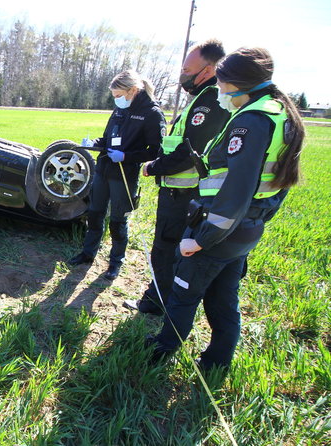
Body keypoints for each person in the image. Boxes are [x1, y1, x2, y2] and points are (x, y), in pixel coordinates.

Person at [147, 47, 305, 371]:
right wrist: (255, 221)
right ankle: (217, 362)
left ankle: (162, 350)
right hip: (246, 229)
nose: (218, 92)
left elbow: (237, 190)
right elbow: (275, 183)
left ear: (236, 84)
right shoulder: (277, 113)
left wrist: (201, 239)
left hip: (222, 229)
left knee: (184, 290)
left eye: (221, 85)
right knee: (222, 299)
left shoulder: (252, 121)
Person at [124, 39, 231, 315]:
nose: (182, 75)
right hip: (180, 193)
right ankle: (163, 298)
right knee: (169, 248)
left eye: (186, 69)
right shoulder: (204, 98)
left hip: (184, 195)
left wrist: (154, 166)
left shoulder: (209, 103)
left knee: (166, 249)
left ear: (206, 71)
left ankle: (157, 302)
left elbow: (188, 153)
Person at [68, 70, 166, 281]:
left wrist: (126, 156)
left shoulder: (152, 113)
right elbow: (106, 138)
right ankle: (87, 254)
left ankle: (115, 263)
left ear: (132, 90)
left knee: (118, 220)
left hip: (125, 174)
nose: (116, 99)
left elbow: (156, 150)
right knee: (94, 213)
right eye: (114, 96)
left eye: (118, 94)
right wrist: (93, 144)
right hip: (103, 169)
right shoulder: (120, 109)